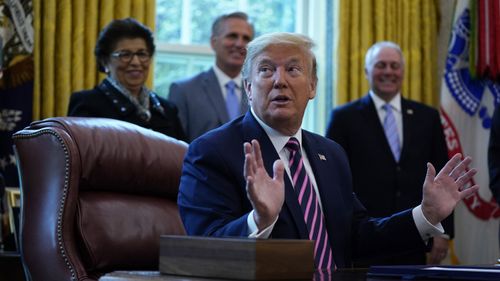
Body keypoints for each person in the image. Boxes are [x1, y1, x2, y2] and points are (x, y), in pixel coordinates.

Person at [177, 32, 478, 269]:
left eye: (293, 69)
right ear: (248, 86)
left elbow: (357, 237)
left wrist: (424, 215)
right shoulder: (211, 151)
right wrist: (260, 220)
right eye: (266, 70)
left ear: (312, 86)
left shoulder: (330, 154)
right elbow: (206, 248)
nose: (280, 80)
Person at [325, 41, 452, 266]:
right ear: (366, 71)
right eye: (380, 65)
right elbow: (334, 179)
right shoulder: (343, 118)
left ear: (403, 71)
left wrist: (443, 232)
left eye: (394, 66)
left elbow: (443, 175)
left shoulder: (427, 117)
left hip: (416, 235)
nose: (388, 72)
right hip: (365, 237)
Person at [68, 18, 186, 141]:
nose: (135, 62)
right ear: (105, 62)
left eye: (142, 54)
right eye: (125, 54)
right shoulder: (87, 104)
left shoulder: (167, 109)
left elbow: (183, 156)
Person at [168, 12, 253, 142]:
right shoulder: (184, 90)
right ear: (213, 42)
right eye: (232, 36)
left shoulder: (259, 91)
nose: (240, 44)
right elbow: (175, 148)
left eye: (246, 38)